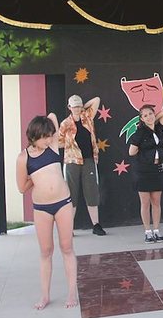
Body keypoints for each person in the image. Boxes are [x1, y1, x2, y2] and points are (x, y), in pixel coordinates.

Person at [16, 114, 77, 310]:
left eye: (50, 135)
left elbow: (52, 117)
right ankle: (45, 295)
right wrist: (35, 176)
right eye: (45, 137)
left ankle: (72, 292)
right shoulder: (23, 157)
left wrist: (46, 126)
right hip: (42, 208)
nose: (49, 139)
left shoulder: (52, 146)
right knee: (45, 251)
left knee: (67, 248)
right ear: (33, 136)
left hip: (63, 203)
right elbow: (21, 187)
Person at [58, 94, 106, 236]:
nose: (77, 109)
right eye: (74, 106)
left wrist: (83, 107)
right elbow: (59, 142)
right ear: (69, 107)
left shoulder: (87, 117)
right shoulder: (65, 124)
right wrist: (70, 145)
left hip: (89, 160)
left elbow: (97, 100)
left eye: (78, 106)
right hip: (72, 161)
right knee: (71, 194)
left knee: (92, 191)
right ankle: (68, 228)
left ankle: (96, 225)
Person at [128, 104, 163, 243]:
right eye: (145, 116)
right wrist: (145, 154)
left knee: (156, 202)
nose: (149, 117)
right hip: (143, 171)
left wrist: (152, 120)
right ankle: (147, 232)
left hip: (157, 169)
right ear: (141, 119)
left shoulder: (159, 129)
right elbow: (131, 151)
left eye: (150, 114)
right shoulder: (139, 133)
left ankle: (156, 230)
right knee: (145, 203)